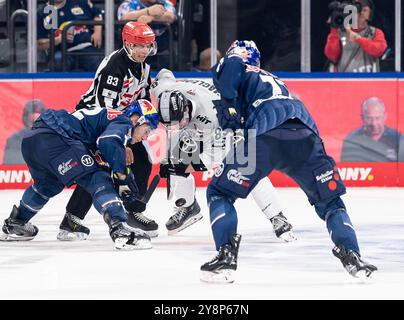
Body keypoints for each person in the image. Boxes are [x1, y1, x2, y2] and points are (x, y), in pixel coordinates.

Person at [200, 40, 377, 283]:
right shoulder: (274, 80)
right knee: (330, 203)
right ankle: (353, 256)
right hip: (306, 136)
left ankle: (226, 255)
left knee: (219, 192)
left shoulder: (235, 65)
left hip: (265, 134)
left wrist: (229, 105)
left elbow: (231, 65)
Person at [150, 68, 296, 241]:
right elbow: (165, 73)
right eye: (170, 125)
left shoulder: (214, 115)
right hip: (200, 117)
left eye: (179, 122)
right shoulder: (162, 92)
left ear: (187, 109)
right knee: (175, 159)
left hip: (234, 120)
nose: (176, 127)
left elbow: (214, 157)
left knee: (246, 165)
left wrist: (182, 166)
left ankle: (277, 216)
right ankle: (188, 207)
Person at [0, 101, 159, 250]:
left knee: (48, 185)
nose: (146, 137)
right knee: (97, 177)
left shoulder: (106, 122)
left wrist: (119, 171)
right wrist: (121, 176)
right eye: (147, 130)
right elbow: (108, 140)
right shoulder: (123, 120)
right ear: (137, 118)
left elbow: (97, 146)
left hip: (32, 140)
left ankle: (16, 222)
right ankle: (120, 228)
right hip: (56, 137)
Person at [57, 21, 159, 241]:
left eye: (147, 45)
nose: (143, 51)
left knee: (143, 161)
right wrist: (121, 144)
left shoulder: (144, 67)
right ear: (126, 43)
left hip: (123, 123)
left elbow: (143, 100)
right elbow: (108, 110)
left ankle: (133, 211)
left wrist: (140, 130)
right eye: (138, 45)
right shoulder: (115, 65)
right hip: (95, 121)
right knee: (98, 166)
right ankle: (72, 219)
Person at [37, 0, 103, 71]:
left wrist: (97, 32)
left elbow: (98, 14)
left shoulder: (80, 2)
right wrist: (59, 39)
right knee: (58, 61)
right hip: (61, 51)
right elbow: (38, 44)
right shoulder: (42, 13)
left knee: (101, 65)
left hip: (86, 47)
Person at [324, 0, 387, 72]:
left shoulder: (375, 32)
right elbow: (332, 56)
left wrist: (358, 38)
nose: (361, 13)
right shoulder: (340, 32)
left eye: (364, 10)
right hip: (344, 80)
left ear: (370, 14)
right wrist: (334, 28)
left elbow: (378, 51)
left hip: (369, 80)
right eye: (357, 10)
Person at [117, 0, 177, 69]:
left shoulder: (165, 3)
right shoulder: (130, 3)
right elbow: (124, 17)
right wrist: (148, 11)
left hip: (161, 49)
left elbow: (171, 17)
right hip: (135, 49)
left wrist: (151, 18)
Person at [341, 97, 404, 162]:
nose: (373, 123)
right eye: (369, 118)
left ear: (385, 116)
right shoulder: (351, 141)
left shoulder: (398, 139)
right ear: (362, 118)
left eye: (377, 118)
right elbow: (345, 169)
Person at [3, 99, 46, 164]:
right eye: (33, 112)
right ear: (26, 116)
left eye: (39, 112)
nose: (36, 116)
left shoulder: (53, 138)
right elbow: (8, 168)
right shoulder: (14, 139)